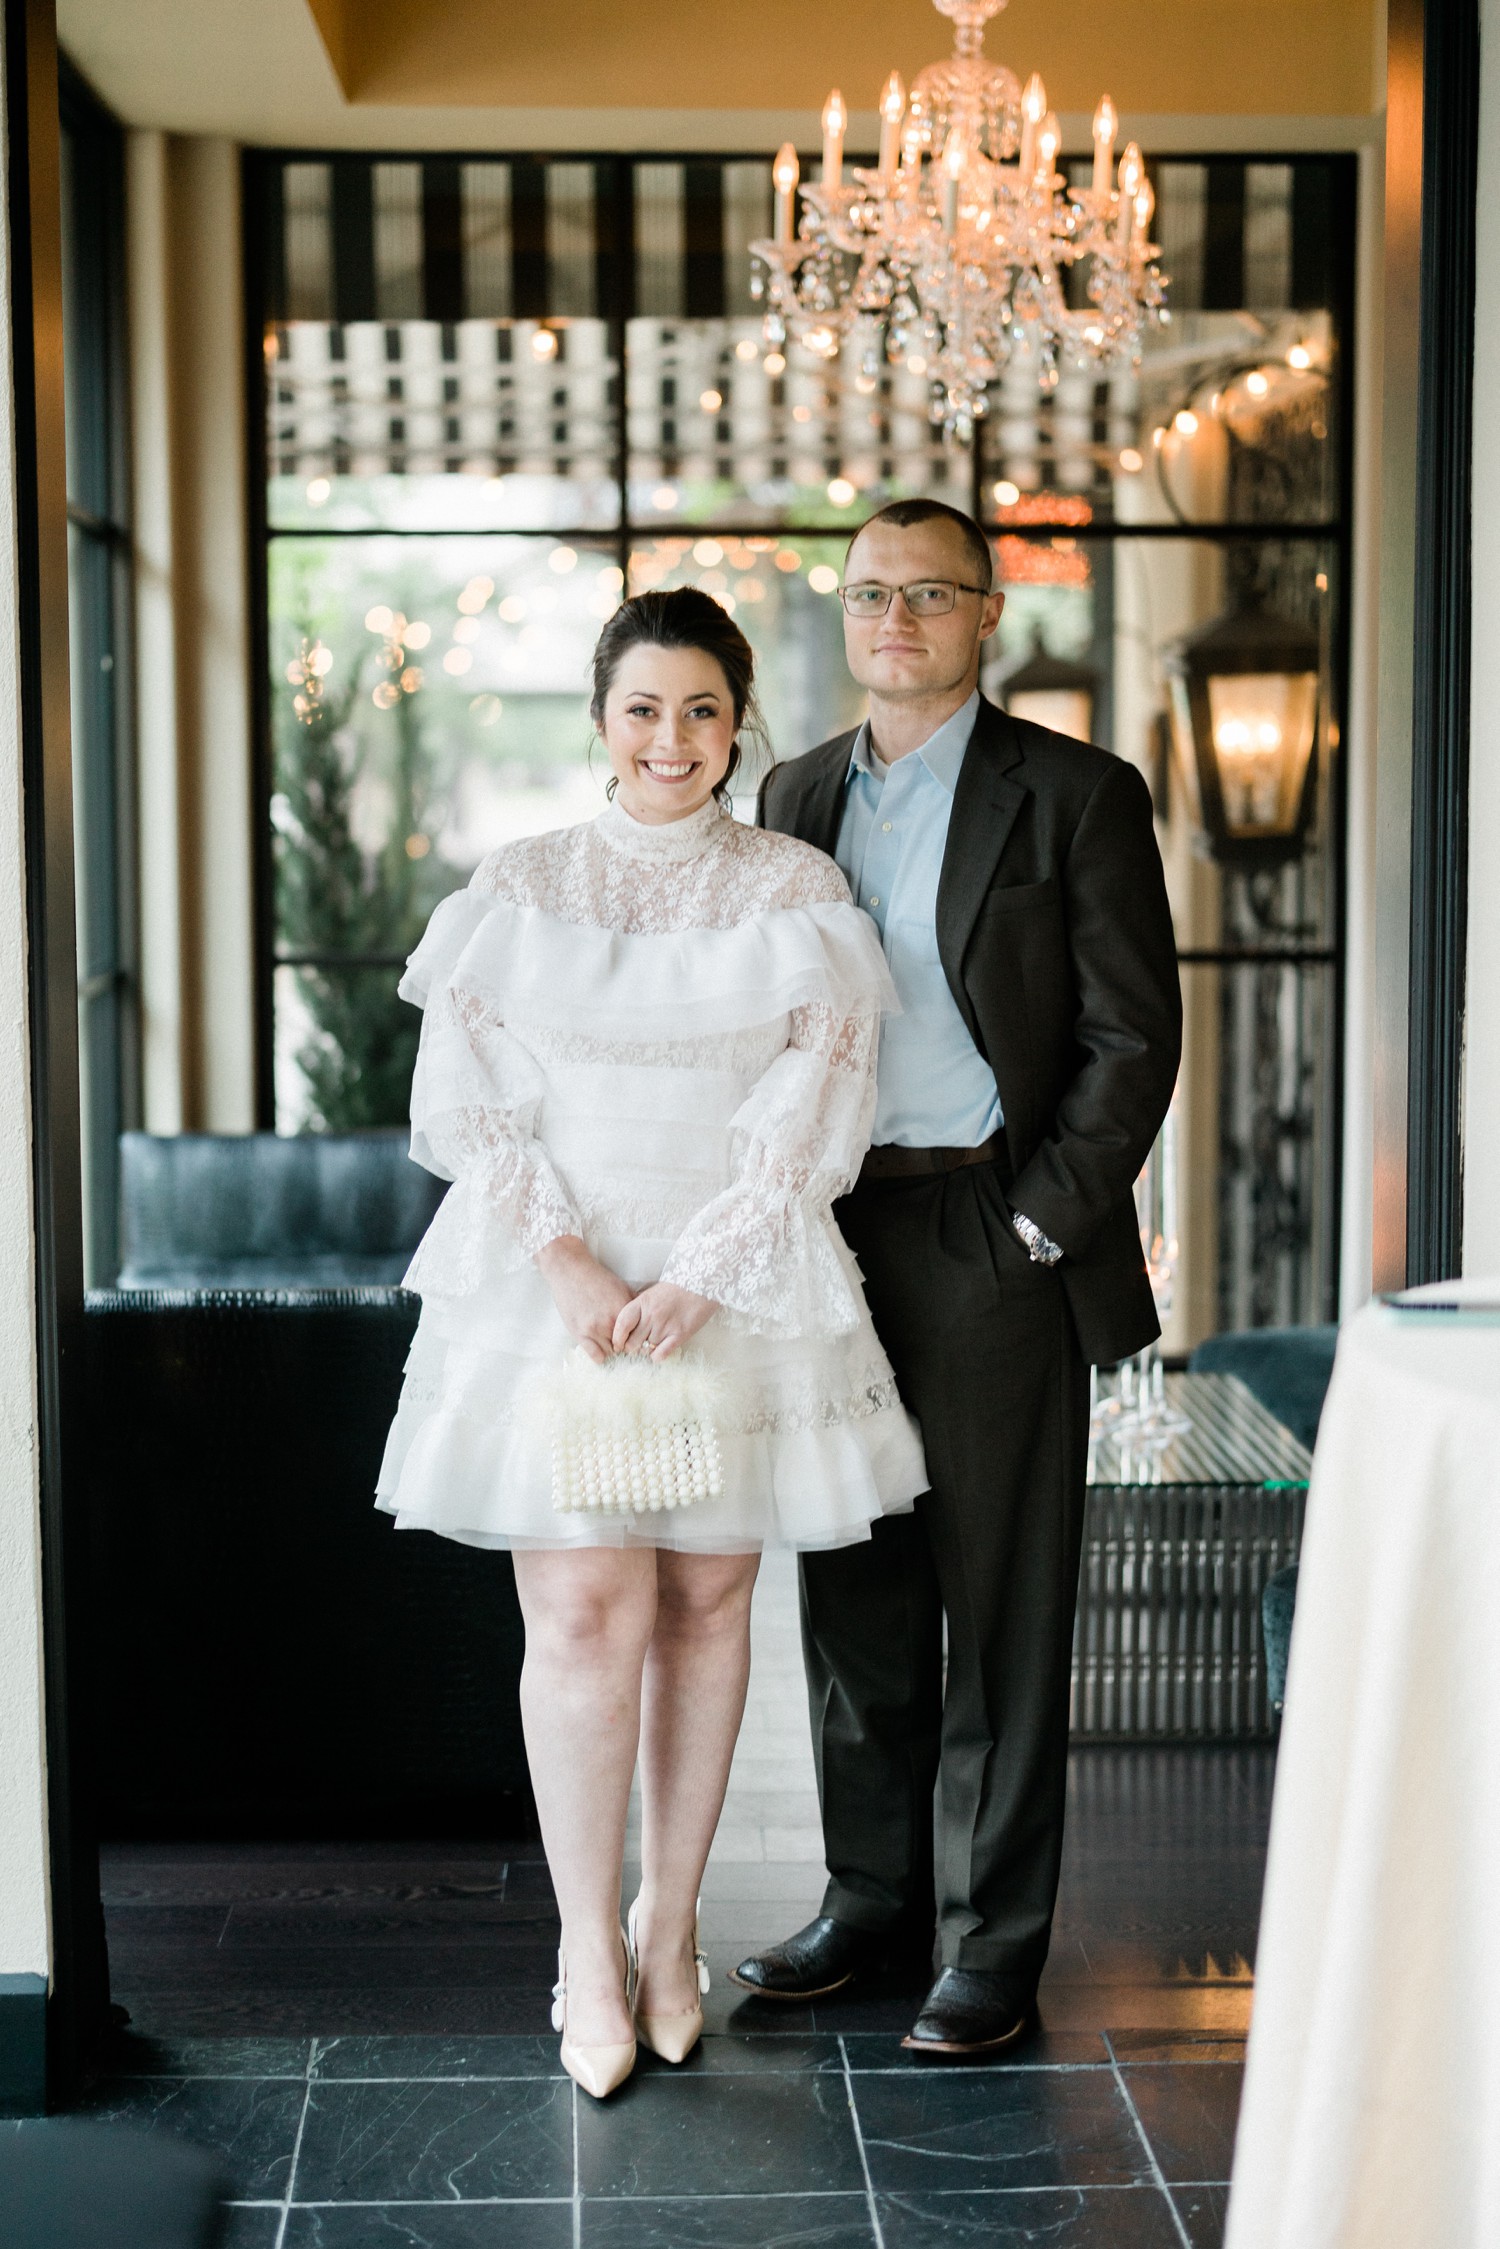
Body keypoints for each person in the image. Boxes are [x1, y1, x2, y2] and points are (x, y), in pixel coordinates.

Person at [376, 587, 927, 2098]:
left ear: (736, 719)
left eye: (700, 709)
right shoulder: (521, 880)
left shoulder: (795, 886)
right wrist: (564, 1259)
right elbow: (466, 1096)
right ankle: (581, 1947)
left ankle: (672, 1926)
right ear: (600, 717)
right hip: (552, 1291)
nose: (672, 738)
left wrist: (699, 1276)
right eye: (643, 707)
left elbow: (820, 1105)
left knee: (702, 1605)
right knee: (582, 1616)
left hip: (733, 1288)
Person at [735, 498, 1181, 2056]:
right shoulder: (790, 792)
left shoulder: (1074, 793)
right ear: (844, 611)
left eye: (932, 592)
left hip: (991, 1233)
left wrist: (1042, 1224)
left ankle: (989, 1939)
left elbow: (1135, 1035)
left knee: (997, 1606)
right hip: (830, 1234)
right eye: (872, 592)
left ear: (987, 613)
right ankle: (872, 1902)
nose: (897, 618)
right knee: (853, 1581)